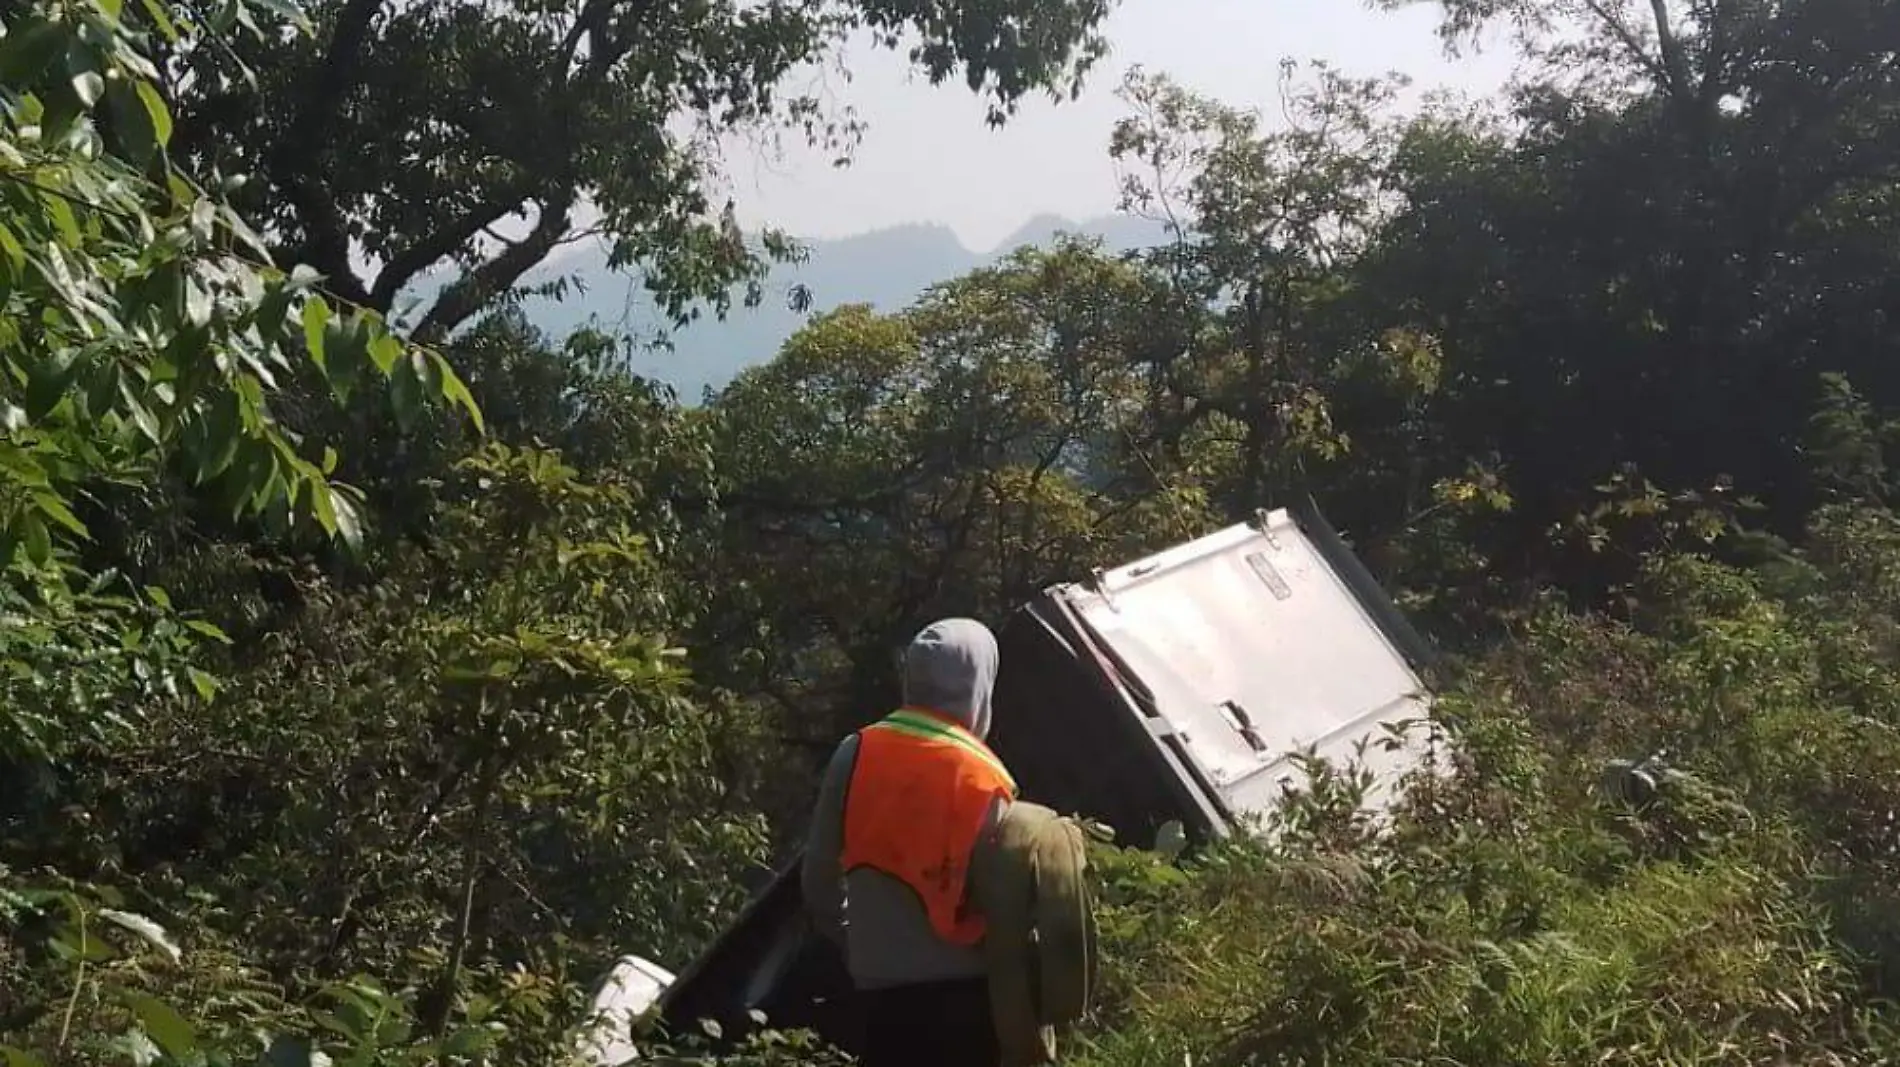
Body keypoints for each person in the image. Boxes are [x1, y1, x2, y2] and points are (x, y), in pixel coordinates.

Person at [801, 618, 1016, 1067]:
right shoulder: (985, 777)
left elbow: (819, 875)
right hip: (966, 998)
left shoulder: (857, 751)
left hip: (880, 993)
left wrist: (849, 940)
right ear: (981, 684)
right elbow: (1005, 904)